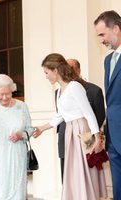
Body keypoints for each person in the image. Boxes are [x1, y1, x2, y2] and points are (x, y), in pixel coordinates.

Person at [33, 53, 107, 200]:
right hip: (70, 132)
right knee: (74, 170)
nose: (46, 76)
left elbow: (89, 113)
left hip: (82, 131)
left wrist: (97, 137)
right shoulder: (60, 91)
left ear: (55, 70)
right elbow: (60, 116)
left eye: (46, 73)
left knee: (86, 170)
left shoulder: (74, 86)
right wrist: (42, 128)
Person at [0, 74, 34, 200]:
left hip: (17, 155)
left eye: (8, 93)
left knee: (18, 190)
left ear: (12, 90)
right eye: (1, 94)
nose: (5, 98)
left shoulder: (22, 106)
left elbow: (30, 129)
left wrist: (21, 135)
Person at [56, 59, 105, 182]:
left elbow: (99, 116)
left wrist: (91, 138)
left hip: (86, 140)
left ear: (78, 70)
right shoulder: (58, 91)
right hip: (65, 139)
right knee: (67, 179)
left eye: (71, 68)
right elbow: (61, 114)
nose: (68, 71)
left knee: (87, 179)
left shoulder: (95, 91)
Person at [94, 10, 121, 200]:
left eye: (102, 34)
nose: (101, 40)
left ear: (116, 29)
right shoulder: (107, 61)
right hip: (114, 135)